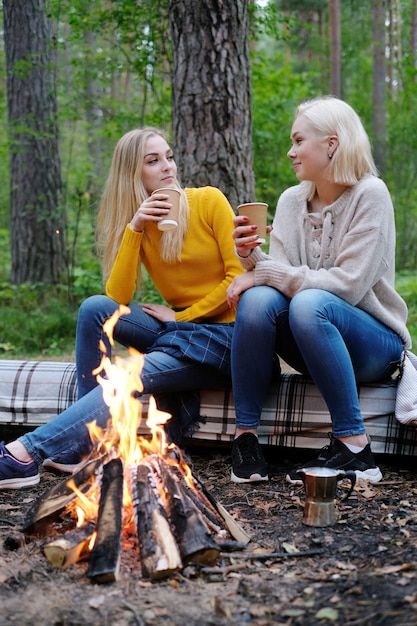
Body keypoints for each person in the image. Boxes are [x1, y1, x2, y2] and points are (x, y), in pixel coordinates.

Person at [0, 127, 243, 489]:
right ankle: (86, 442)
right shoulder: (143, 224)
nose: (167, 167)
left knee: (129, 371)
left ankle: (24, 454)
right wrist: (136, 226)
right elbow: (119, 294)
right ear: (134, 174)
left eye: (169, 156)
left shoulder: (209, 201)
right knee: (94, 307)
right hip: (177, 333)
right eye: (153, 160)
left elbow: (237, 279)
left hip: (223, 338)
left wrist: (181, 316)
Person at [226, 95, 411, 485]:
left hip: (374, 343)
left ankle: (356, 449)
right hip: (314, 332)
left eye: (298, 141)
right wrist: (251, 259)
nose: (291, 152)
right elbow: (278, 278)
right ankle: (246, 437)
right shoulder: (292, 201)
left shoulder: (370, 194)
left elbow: (349, 284)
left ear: (331, 144)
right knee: (258, 300)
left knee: (310, 302)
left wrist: (265, 273)